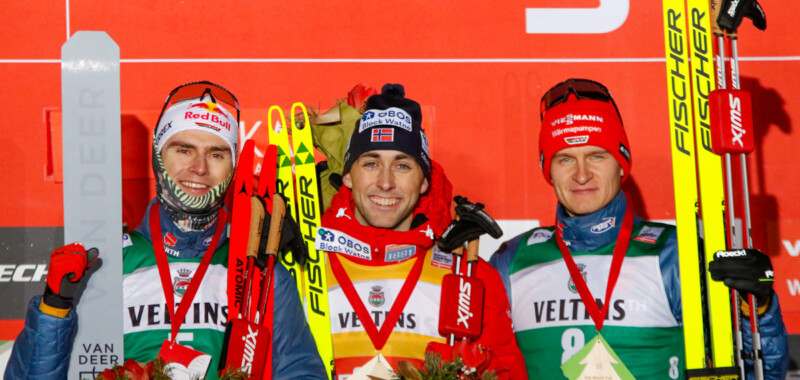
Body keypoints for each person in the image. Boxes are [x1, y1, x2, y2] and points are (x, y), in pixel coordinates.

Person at [5, 81, 326, 380]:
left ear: (234, 168)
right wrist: (54, 307)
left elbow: (299, 370)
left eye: (216, 154)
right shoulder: (107, 262)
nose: (199, 167)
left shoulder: (260, 270)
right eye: (184, 150)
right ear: (158, 156)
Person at [489, 78, 789, 380]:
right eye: (565, 159)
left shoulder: (674, 254)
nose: (581, 175)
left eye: (596, 156)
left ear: (621, 164)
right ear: (548, 170)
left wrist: (758, 308)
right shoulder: (512, 260)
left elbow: (760, 373)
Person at [315, 84, 528, 379]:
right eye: (371, 163)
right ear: (349, 176)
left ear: (425, 181)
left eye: (402, 166)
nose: (385, 182)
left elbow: (506, 373)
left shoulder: (467, 274)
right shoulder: (305, 268)